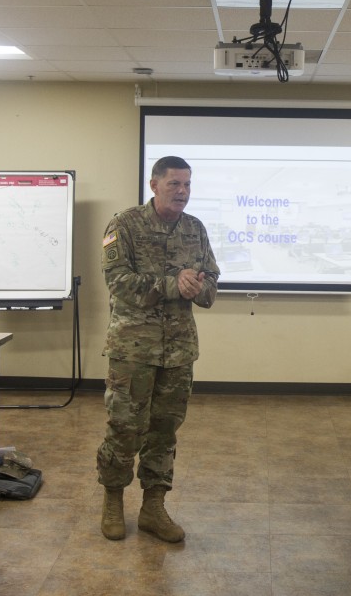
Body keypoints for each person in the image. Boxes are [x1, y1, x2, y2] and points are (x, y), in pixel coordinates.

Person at [97, 155, 218, 543]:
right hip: (133, 350)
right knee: (125, 428)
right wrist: (171, 283)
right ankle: (113, 500)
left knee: (165, 431)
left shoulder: (195, 229)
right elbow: (118, 282)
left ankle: (153, 507)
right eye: (174, 185)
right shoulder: (124, 225)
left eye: (187, 185)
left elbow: (212, 279)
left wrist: (199, 288)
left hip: (179, 351)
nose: (182, 192)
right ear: (154, 185)